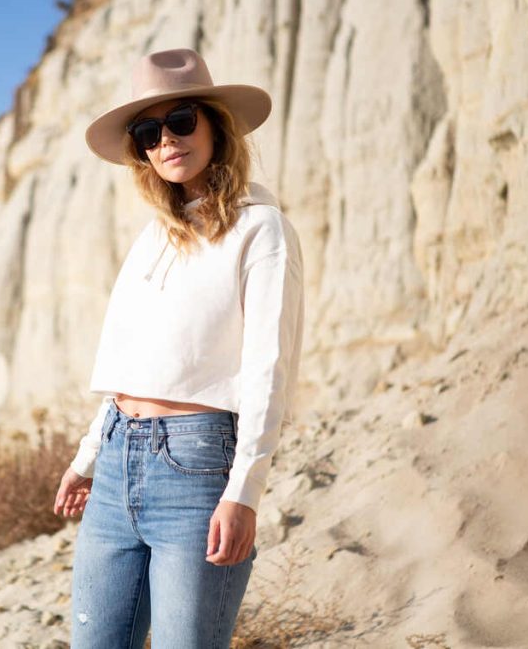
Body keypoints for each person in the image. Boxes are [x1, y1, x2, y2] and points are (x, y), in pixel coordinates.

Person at [52, 47, 305, 648]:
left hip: (196, 468)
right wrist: (88, 457)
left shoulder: (261, 229)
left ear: (216, 123)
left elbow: (268, 367)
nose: (166, 139)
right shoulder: (151, 239)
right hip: (116, 460)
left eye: (182, 119)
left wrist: (244, 491)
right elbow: (130, 365)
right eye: (147, 131)